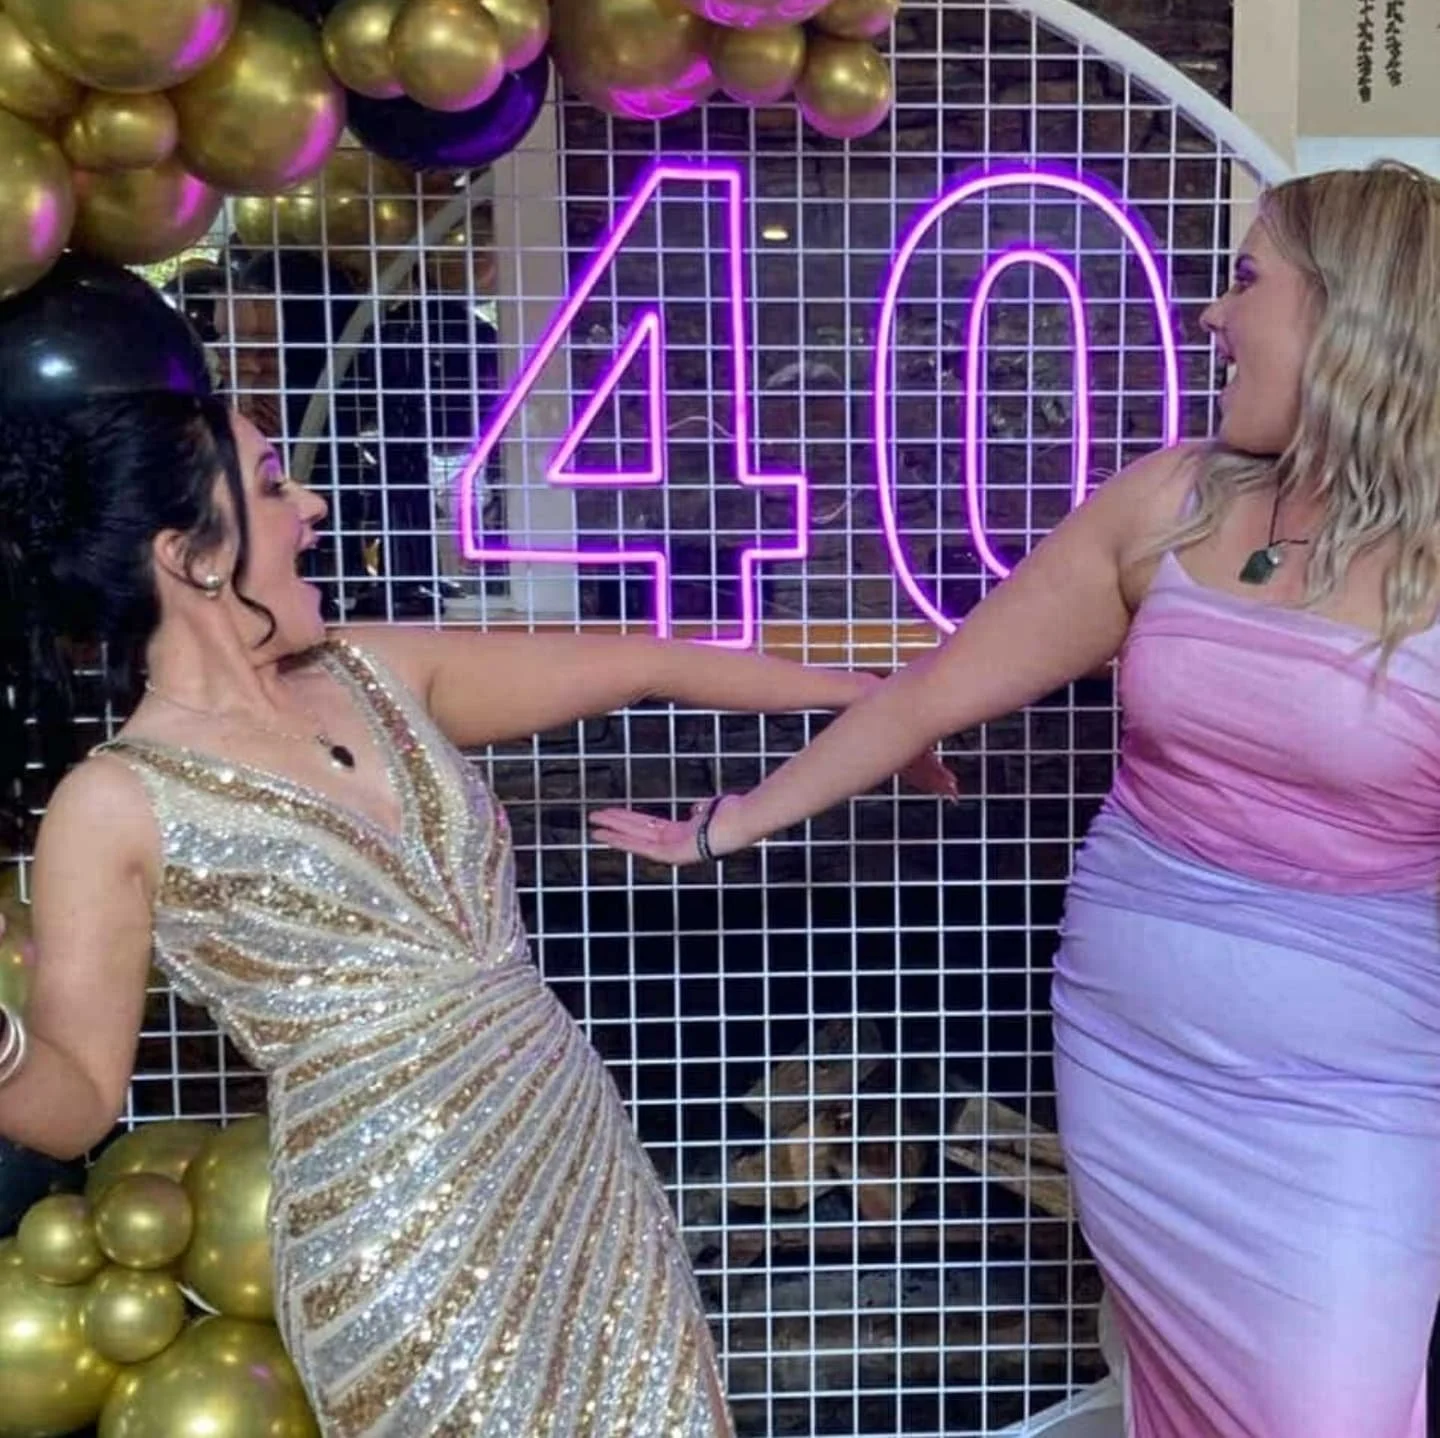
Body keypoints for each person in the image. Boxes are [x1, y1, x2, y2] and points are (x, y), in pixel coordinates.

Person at [0, 255, 954, 1436]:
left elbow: (649, 660)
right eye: (274, 482)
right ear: (190, 552)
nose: (315, 508)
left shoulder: (379, 669)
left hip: (576, 1159)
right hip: (392, 1231)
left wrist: (888, 707)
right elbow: (76, 1103)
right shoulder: (112, 804)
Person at [593, 160, 1440, 1438]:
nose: (1210, 315)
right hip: (1133, 1064)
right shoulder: (1173, 503)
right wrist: (724, 825)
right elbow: (933, 691)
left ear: (1350, 313)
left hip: (1347, 1096)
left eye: (1247, 279)